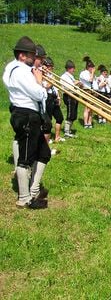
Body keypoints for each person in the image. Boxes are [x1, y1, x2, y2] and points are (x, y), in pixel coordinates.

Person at [2, 36, 50, 209]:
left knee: (44, 154)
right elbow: (38, 94)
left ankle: (34, 190)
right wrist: (39, 81)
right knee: (26, 158)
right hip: (26, 115)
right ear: (22, 56)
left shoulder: (14, 68)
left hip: (30, 114)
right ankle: (24, 198)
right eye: (31, 54)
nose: (34, 57)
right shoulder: (21, 70)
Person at [43, 57, 64, 144]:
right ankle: (45, 140)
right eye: (50, 66)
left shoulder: (51, 75)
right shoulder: (42, 76)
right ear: (46, 66)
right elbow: (46, 87)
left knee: (59, 118)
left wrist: (58, 97)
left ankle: (57, 137)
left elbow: (55, 88)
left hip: (54, 97)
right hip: (47, 97)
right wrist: (52, 82)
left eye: (52, 66)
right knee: (48, 120)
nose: (52, 68)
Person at [60, 60, 80, 137]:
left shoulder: (70, 76)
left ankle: (69, 130)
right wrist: (75, 83)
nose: (74, 70)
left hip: (74, 95)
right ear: (68, 68)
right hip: (68, 96)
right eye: (72, 68)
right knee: (70, 113)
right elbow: (67, 87)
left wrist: (78, 85)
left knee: (74, 114)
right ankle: (66, 131)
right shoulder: (64, 76)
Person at [79, 56, 95, 127]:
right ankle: (86, 123)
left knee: (91, 108)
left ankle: (90, 122)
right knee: (87, 107)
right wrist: (93, 73)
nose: (93, 69)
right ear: (89, 67)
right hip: (86, 90)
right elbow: (90, 80)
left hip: (92, 90)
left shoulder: (90, 73)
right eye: (92, 67)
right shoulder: (84, 73)